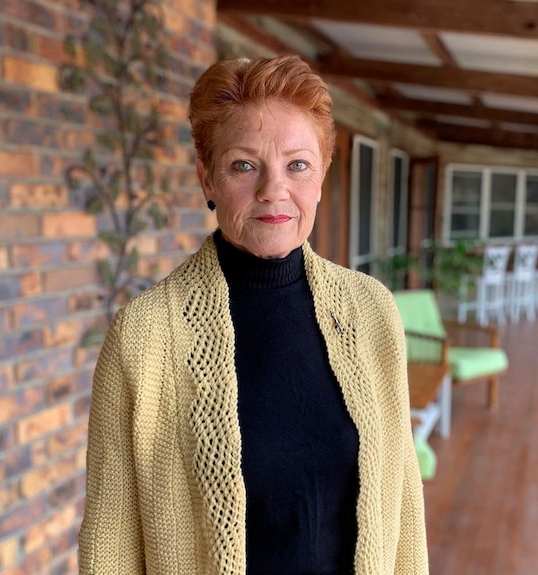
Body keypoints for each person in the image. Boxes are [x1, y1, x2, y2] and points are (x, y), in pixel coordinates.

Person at [78, 54, 428, 575]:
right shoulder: (144, 336)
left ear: (322, 174)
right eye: (244, 164)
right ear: (207, 178)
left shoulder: (371, 310)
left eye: (298, 164)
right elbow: (109, 545)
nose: (273, 190)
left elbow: (402, 501)